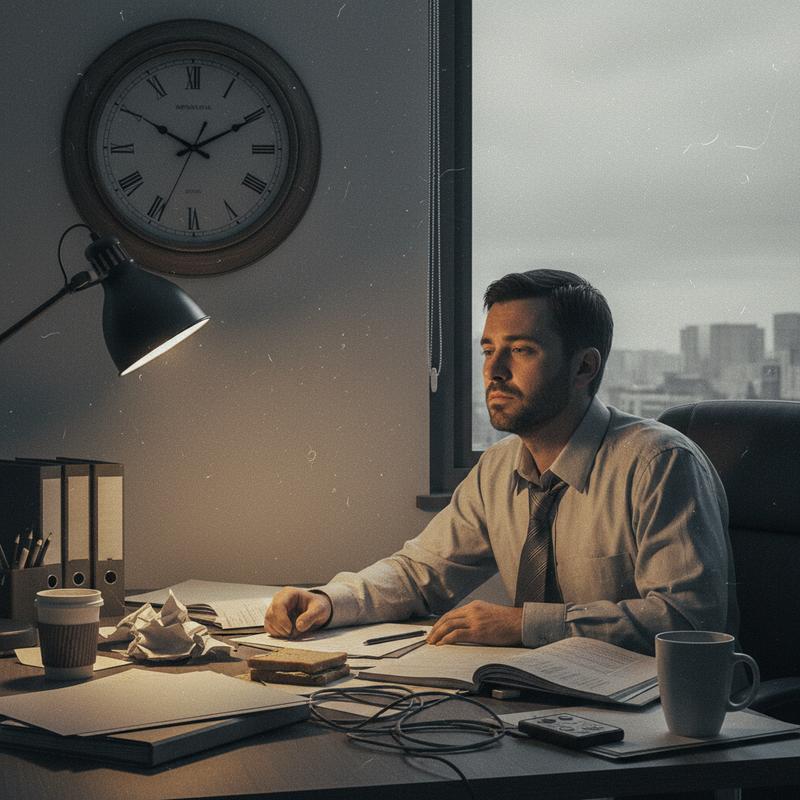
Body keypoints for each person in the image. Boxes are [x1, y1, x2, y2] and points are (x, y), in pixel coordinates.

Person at [265, 269, 738, 654]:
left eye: (521, 350)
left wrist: (526, 624)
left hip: (655, 721)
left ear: (584, 367)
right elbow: (419, 574)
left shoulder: (659, 464)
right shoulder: (498, 469)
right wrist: (330, 600)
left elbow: (688, 619)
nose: (493, 370)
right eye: (489, 350)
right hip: (542, 703)